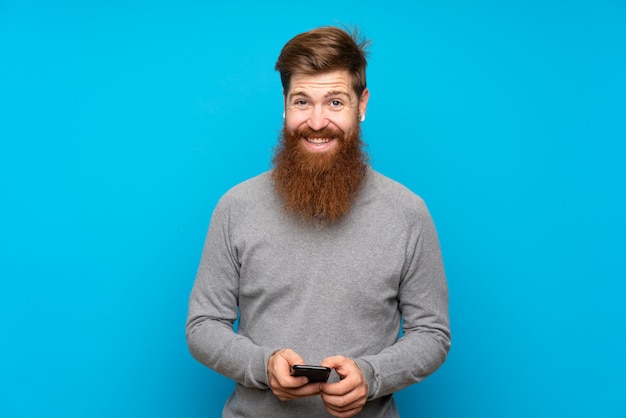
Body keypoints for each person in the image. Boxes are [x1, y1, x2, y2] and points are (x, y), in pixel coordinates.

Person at [186, 26, 451, 418]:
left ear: (362, 104)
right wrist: (264, 366)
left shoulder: (408, 213)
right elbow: (203, 325)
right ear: (284, 105)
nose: (316, 121)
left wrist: (370, 375)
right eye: (302, 102)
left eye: (335, 102)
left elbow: (432, 334)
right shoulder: (236, 206)